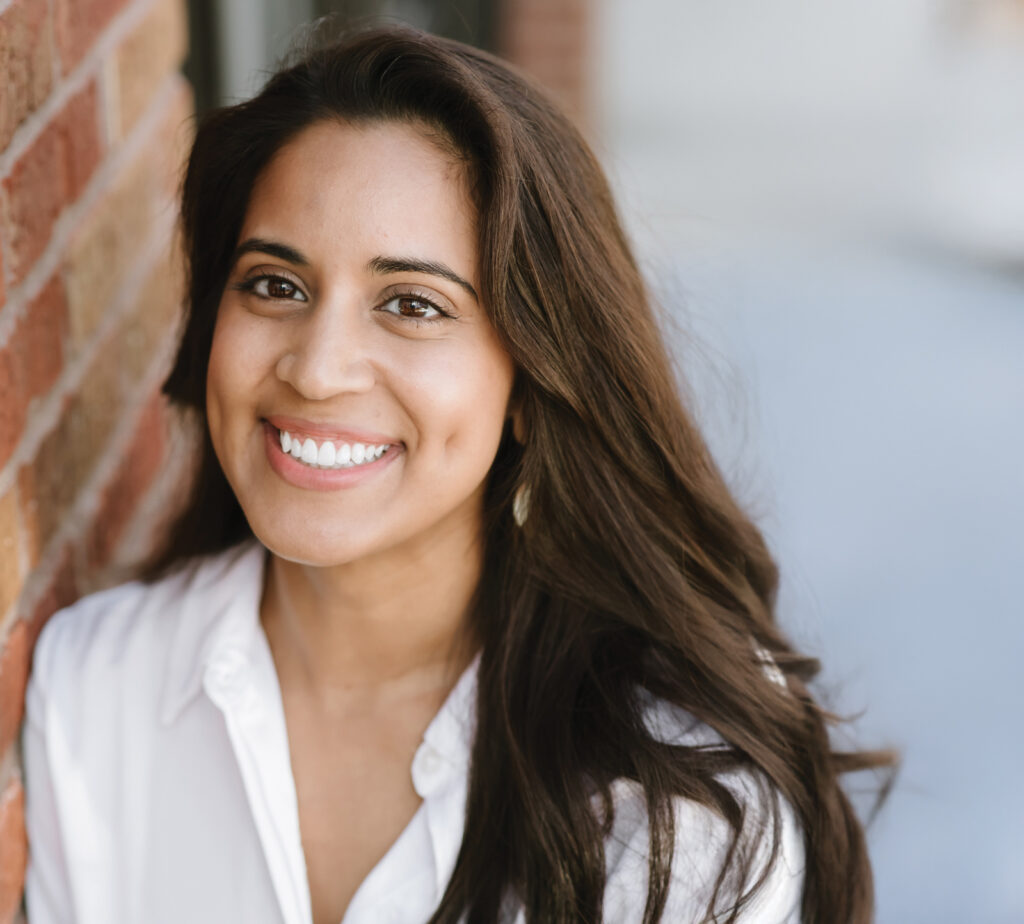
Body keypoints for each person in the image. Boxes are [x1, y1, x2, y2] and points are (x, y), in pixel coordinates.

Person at [21, 24, 890, 924]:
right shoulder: (102, 687)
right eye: (276, 284)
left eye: (411, 304)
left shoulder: (674, 794)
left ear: (528, 380)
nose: (318, 370)